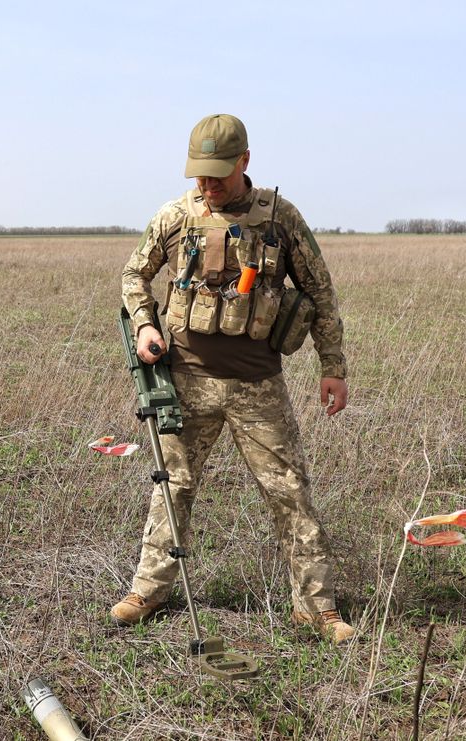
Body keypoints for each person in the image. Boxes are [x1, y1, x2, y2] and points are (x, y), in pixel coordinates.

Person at [111, 114, 356, 644]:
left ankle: (317, 609)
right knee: (170, 487)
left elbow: (321, 293)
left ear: (245, 161)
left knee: (290, 493)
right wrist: (146, 326)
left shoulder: (281, 218)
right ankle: (148, 591)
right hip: (186, 380)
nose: (207, 184)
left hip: (257, 386)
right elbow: (134, 275)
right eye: (199, 174)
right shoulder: (174, 216)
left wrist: (332, 368)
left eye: (218, 173)